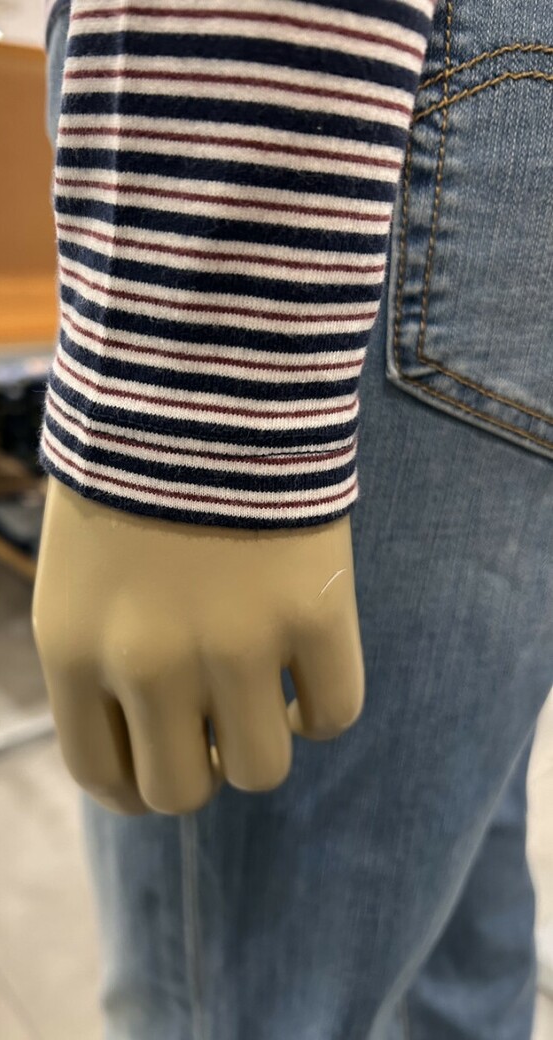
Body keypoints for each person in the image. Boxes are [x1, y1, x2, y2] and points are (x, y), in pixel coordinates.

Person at [38, 1, 553, 1036]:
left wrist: (192, 384)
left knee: (244, 1003)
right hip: (485, 119)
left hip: (378, 96)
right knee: (456, 930)